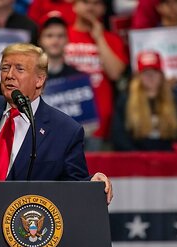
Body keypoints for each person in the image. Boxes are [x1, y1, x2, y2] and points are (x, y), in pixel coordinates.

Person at [0, 43, 113, 223]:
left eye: (19, 69)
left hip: (22, 234)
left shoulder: (65, 130)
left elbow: (73, 186)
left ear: (39, 80)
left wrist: (92, 183)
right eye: (5, 68)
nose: (9, 75)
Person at [64, 0, 129, 151]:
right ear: (74, 5)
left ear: (104, 9)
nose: (91, 7)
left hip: (98, 125)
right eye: (86, 2)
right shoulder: (61, 35)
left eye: (97, 3)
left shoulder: (112, 39)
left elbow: (115, 73)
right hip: (64, 123)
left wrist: (99, 38)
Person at [111, 50, 177, 151]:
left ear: (161, 75)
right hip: (136, 160)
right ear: (138, 76)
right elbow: (119, 136)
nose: (151, 76)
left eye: (155, 72)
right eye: (146, 72)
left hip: (167, 159)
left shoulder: (173, 100)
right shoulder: (125, 100)